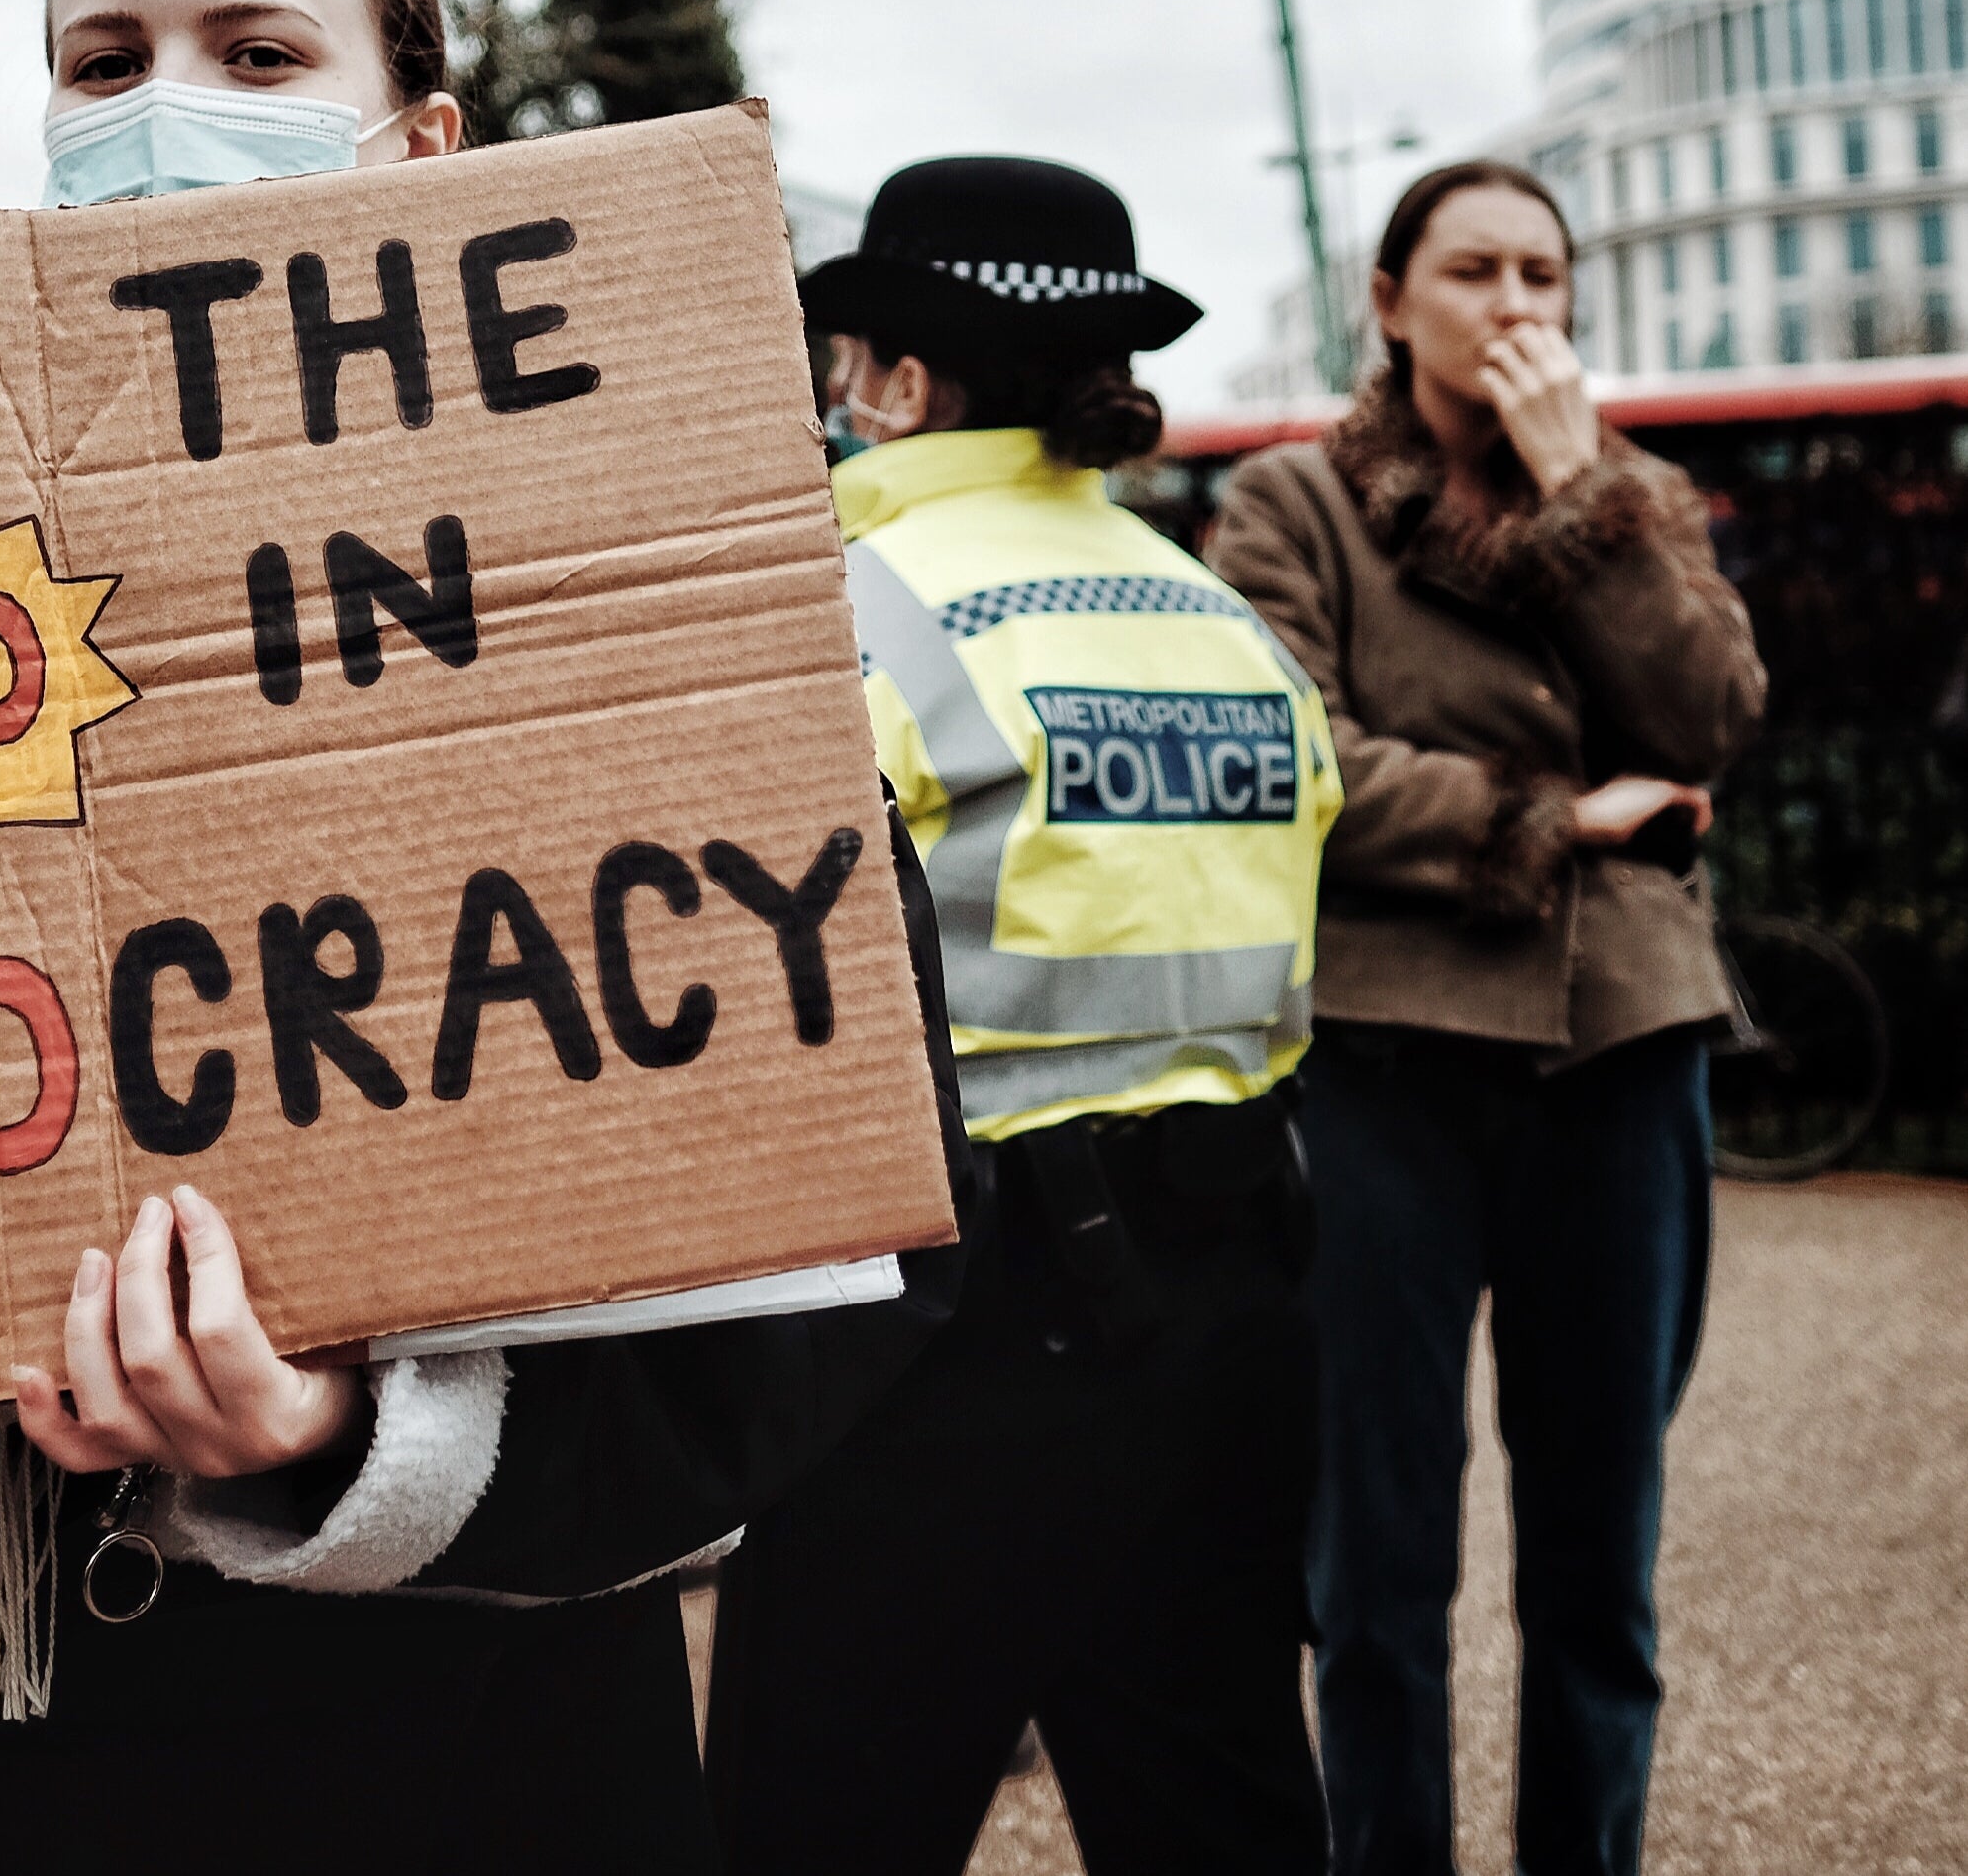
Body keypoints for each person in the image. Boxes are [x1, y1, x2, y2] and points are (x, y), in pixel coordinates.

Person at [0, 0, 973, 1874]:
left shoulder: (643, 603)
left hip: (482, 1765)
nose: (164, 118)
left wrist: (344, 1444)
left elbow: (838, 1239)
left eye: (254, 54)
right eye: (100, 61)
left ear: (416, 143)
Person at [707, 156, 1342, 1874]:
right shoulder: (1220, 621)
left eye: (846, 367)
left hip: (954, 1334)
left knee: (821, 1811)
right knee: (1217, 1803)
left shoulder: (849, 611)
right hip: (1239, 1309)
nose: (834, 404)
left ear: (905, 382)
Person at [1208, 163, 1764, 1876]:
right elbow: (1291, 760)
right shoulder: (1290, 506)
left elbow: (1708, 713)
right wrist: (1560, 811)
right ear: (1389, 300)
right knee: (1376, 1560)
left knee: (1600, 1550)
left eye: (1542, 273)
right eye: (1472, 270)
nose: (1515, 304)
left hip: (1623, 1050)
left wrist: (1584, 492)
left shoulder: (1631, 492)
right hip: (1385, 1058)